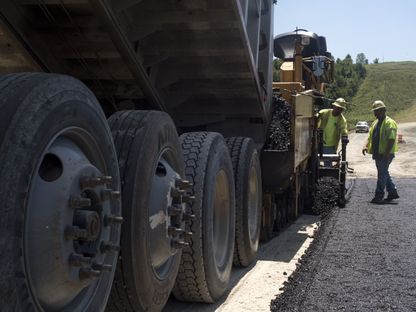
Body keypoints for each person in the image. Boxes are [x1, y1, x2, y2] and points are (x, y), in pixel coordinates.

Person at [362, 100, 399, 204]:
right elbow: (370, 136)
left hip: (385, 154)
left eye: (377, 111)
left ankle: (379, 196)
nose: (375, 113)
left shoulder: (389, 122)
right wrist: (365, 146)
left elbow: (391, 139)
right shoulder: (375, 122)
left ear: (383, 110)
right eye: (374, 111)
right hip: (378, 153)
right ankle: (392, 192)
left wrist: (387, 152)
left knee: (381, 174)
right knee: (384, 173)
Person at [318, 98, 348, 166]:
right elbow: (317, 116)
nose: (339, 110)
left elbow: (344, 129)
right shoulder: (325, 113)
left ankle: (327, 176)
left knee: (328, 165)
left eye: (341, 109)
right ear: (334, 106)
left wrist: (345, 136)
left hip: (330, 146)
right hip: (319, 142)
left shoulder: (341, 119)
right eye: (338, 108)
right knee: (315, 162)